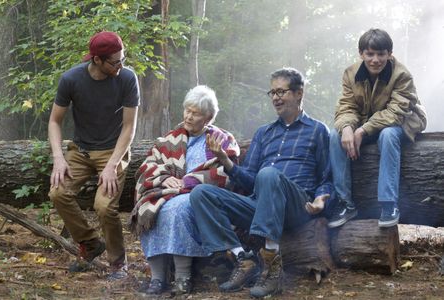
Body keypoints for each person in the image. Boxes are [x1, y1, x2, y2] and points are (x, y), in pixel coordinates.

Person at [190, 68, 334, 298]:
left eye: (281, 91)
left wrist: (320, 199)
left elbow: (327, 177)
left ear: (299, 93)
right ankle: (242, 259)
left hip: (296, 205)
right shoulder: (263, 133)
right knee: (201, 193)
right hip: (261, 205)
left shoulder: (318, 130)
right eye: (272, 92)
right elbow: (249, 179)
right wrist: (225, 160)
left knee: (268, 174)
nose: (276, 97)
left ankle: (271, 266)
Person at [130, 85, 240, 296]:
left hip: (199, 197)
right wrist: (165, 178)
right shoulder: (169, 139)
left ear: (208, 117)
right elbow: (147, 167)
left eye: (195, 113)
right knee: (148, 207)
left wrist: (187, 182)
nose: (188, 117)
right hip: (165, 192)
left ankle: (182, 278)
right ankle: (157, 278)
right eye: (187, 110)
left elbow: (223, 173)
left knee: (176, 209)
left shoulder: (221, 139)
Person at [48, 31, 140, 279]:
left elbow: (129, 128)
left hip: (114, 151)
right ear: (97, 60)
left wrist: (112, 165)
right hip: (80, 151)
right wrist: (58, 157)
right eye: (115, 62)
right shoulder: (71, 79)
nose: (121, 65)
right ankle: (90, 244)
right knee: (58, 192)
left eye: (123, 58)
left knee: (104, 206)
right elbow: (55, 121)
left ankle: (118, 263)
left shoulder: (127, 78)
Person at [328, 28, 427, 229]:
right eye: (370, 54)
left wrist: (363, 130)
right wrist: (347, 127)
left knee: (388, 135)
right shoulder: (350, 73)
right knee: (334, 135)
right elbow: (347, 106)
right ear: (361, 53)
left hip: (403, 120)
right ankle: (345, 203)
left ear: (389, 54)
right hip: (369, 121)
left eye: (381, 54)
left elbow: (396, 112)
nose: (375, 60)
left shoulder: (402, 75)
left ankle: (389, 204)